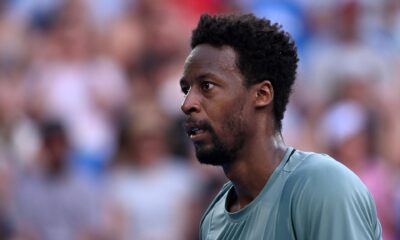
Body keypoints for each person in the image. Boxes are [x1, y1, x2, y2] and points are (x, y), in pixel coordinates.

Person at [179, 13, 382, 239]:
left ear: (262, 94)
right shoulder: (214, 217)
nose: (187, 104)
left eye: (206, 86)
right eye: (186, 89)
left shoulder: (322, 186)